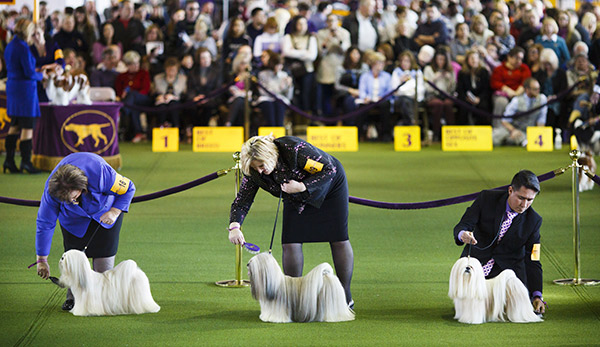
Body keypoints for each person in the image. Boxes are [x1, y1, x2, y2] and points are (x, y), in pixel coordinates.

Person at [228, 134, 355, 308]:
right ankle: (294, 298)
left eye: (261, 166)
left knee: (338, 238)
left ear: (270, 156)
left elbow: (329, 170)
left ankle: (344, 295)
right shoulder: (252, 171)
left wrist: (303, 186)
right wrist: (235, 226)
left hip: (328, 188)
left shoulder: (293, 150)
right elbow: (242, 200)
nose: (258, 171)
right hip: (293, 195)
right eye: (254, 167)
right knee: (291, 241)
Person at [34, 152, 135, 311]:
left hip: (105, 213)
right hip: (73, 222)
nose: (71, 202)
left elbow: (129, 187)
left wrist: (114, 212)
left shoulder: (101, 173)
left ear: (81, 187)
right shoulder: (51, 191)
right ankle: (73, 297)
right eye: (65, 200)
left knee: (103, 266)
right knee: (74, 261)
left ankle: (102, 299)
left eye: (73, 197)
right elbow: (45, 223)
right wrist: (41, 259)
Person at [453, 170, 546, 315]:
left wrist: (537, 295)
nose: (524, 204)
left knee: (514, 309)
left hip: (509, 275)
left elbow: (533, 259)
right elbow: (464, 224)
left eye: (530, 200)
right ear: (510, 190)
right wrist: (462, 235)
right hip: (477, 267)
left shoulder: (534, 221)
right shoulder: (486, 199)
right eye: (521, 198)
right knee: (470, 309)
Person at [4, 19, 43, 174]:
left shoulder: (10, 45)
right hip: (25, 90)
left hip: (13, 87)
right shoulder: (23, 48)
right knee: (27, 126)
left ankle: (9, 160)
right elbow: (29, 73)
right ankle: (26, 163)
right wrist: (42, 75)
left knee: (14, 125)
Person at [493, 77, 547, 146]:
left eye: (539, 89)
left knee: (522, 139)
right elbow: (504, 120)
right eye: (535, 89)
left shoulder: (542, 99)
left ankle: (514, 140)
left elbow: (541, 121)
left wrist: (538, 135)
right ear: (527, 90)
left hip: (529, 132)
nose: (538, 91)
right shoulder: (516, 100)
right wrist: (513, 130)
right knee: (495, 138)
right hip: (513, 128)